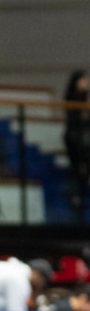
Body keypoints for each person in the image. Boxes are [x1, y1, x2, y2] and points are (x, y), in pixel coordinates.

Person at [63, 69, 90, 214]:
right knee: (77, 168)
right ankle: (76, 196)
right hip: (74, 137)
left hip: (85, 137)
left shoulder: (87, 95)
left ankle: (82, 196)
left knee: (84, 168)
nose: (85, 82)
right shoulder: (72, 96)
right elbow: (74, 117)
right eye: (82, 79)